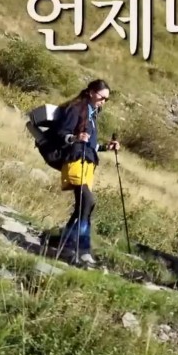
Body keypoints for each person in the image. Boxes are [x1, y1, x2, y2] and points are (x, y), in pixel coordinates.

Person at [53, 79, 120, 267]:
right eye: (102, 97)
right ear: (91, 92)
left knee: (84, 206)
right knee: (87, 201)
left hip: (88, 162)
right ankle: (79, 248)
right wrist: (75, 137)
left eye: (106, 99)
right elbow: (60, 133)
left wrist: (106, 147)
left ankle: (69, 246)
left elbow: (91, 145)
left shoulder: (92, 114)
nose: (103, 102)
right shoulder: (75, 109)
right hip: (75, 159)